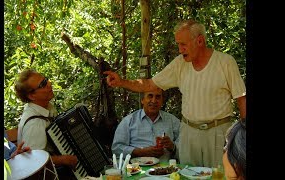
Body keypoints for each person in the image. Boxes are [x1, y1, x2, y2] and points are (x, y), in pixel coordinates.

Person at [104, 19, 246, 167]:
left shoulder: (225, 62)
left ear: (200, 41)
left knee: (220, 175)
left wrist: (244, 134)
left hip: (218, 132)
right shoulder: (180, 64)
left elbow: (241, 97)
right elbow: (149, 84)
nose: (179, 49)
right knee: (188, 175)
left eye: (183, 44)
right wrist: (122, 82)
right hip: (189, 133)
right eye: (178, 44)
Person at [14, 69, 78, 179]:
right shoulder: (34, 123)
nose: (49, 84)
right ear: (32, 96)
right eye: (43, 84)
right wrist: (63, 159)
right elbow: (34, 160)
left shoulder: (43, 107)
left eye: (46, 80)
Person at [111, 88, 180, 162]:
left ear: (162, 101)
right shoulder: (129, 121)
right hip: (136, 170)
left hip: (167, 170)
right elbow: (116, 149)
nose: (154, 101)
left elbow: (187, 149)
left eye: (158, 97)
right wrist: (139, 152)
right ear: (142, 100)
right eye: (150, 96)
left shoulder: (172, 121)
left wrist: (172, 147)